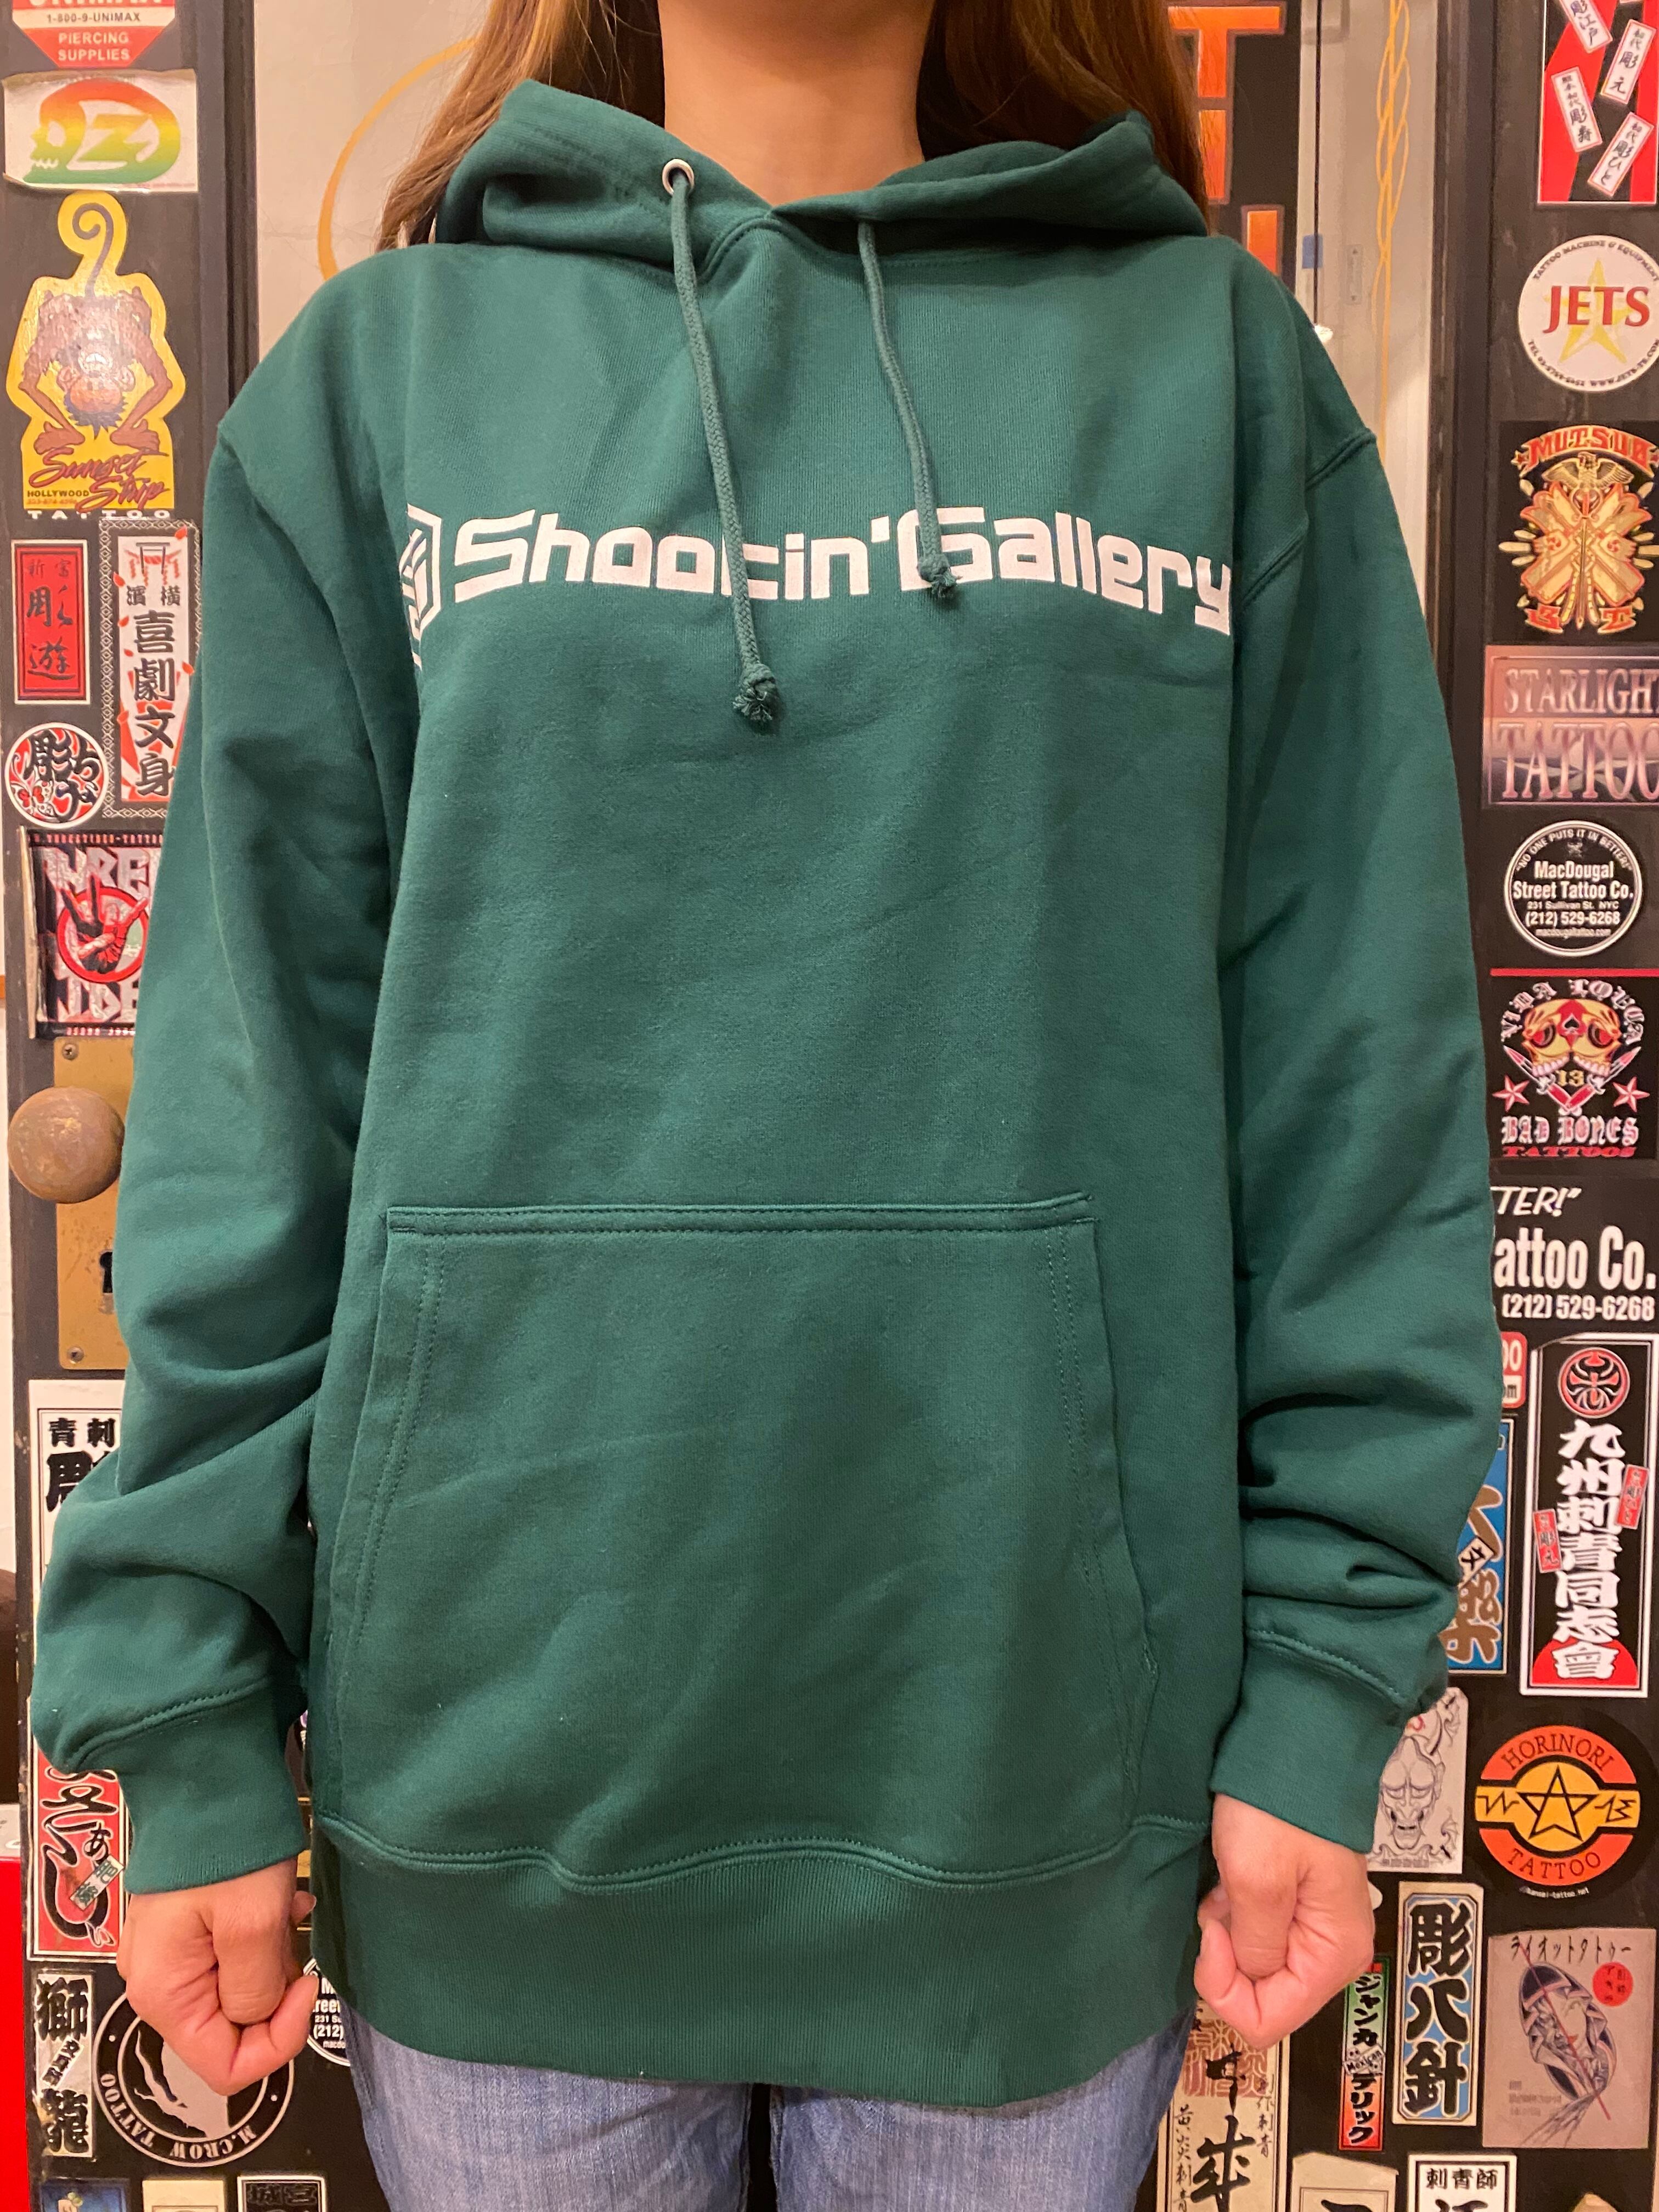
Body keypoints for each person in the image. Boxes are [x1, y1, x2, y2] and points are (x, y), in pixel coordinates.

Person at [30, 0, 1504, 2204]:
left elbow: (1353, 1089)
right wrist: (184, 1703)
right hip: (504, 1787)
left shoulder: (1210, 376)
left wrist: (1321, 1683)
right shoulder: (378, 381)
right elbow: (259, 1104)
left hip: (1024, 1783)